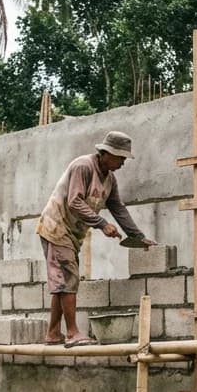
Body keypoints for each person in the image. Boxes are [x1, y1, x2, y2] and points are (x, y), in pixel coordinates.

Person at [36, 131, 156, 348]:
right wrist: (102, 224)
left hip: (72, 234)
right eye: (120, 158)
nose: (122, 163)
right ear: (106, 153)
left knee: (64, 282)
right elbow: (74, 202)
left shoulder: (110, 179)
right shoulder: (83, 167)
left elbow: (117, 207)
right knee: (69, 279)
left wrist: (138, 236)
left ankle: (53, 333)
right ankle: (73, 333)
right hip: (56, 227)